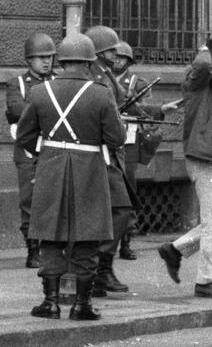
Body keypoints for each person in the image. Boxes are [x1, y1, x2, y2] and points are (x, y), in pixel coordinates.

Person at [16, 33, 126, 321]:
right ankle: (81, 305)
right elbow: (117, 138)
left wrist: (47, 154)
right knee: (88, 237)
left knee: (49, 234)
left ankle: (50, 303)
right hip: (89, 168)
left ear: (61, 61)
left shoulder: (40, 92)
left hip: (50, 167)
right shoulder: (101, 92)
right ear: (90, 62)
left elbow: (26, 136)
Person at [157, 38, 212, 300]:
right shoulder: (200, 79)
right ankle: (208, 281)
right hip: (204, 157)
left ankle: (175, 249)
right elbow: (201, 65)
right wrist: (207, 51)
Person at [84, 25, 141, 297]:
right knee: (119, 209)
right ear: (98, 51)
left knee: (119, 210)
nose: (114, 53)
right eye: (109, 49)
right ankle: (99, 271)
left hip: (111, 153)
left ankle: (101, 270)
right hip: (100, 155)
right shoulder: (93, 74)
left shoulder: (106, 73)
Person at [111, 41, 174, 260]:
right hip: (107, 140)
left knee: (128, 190)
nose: (116, 60)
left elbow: (144, 112)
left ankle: (126, 241)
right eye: (114, 56)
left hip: (127, 142)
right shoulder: (102, 80)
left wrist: (153, 109)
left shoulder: (137, 84)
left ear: (129, 61)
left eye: (121, 57)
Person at [5, 33, 57, 269]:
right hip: (28, 151)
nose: (46, 62)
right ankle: (32, 250)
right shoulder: (17, 83)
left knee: (53, 199)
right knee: (30, 201)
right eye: (40, 57)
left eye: (50, 57)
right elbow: (16, 110)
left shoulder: (58, 81)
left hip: (53, 149)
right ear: (29, 60)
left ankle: (51, 247)